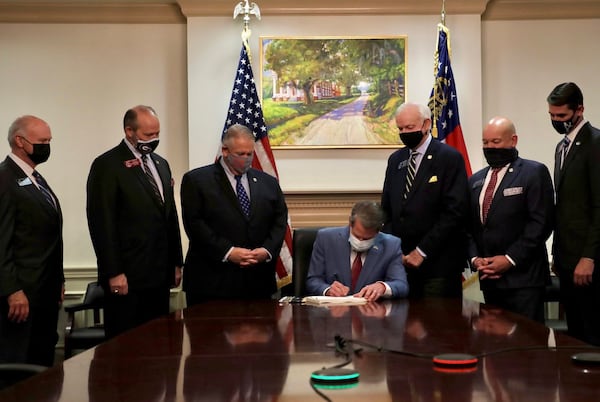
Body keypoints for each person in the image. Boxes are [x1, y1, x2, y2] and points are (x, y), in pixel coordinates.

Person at [86, 105, 183, 339]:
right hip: (127, 277)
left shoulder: (160, 164)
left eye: (157, 134)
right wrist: (114, 272)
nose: (154, 139)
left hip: (159, 275)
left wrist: (176, 262)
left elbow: (170, 216)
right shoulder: (107, 165)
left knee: (158, 344)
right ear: (129, 131)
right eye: (148, 135)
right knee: (125, 347)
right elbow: (102, 223)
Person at [180, 124, 288, 305]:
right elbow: (195, 225)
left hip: (257, 283)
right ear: (225, 151)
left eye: (250, 154)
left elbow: (279, 221)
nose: (246, 159)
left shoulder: (267, 182)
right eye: (240, 154)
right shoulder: (197, 181)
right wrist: (228, 252)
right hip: (212, 283)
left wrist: (266, 250)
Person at [468, 116, 554, 323]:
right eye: (485, 143)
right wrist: (475, 259)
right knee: (495, 346)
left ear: (513, 140)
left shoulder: (534, 172)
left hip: (524, 280)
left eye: (495, 142)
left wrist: (509, 259)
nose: (489, 147)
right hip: (489, 278)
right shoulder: (476, 180)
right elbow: (469, 227)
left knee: (528, 346)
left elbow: (541, 223)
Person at [381, 102, 469, 298]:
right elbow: (386, 211)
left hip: (438, 266)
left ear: (426, 124)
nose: (404, 133)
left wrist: (421, 251)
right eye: (400, 128)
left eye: (409, 128)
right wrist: (394, 250)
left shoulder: (449, 157)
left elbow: (454, 212)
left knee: (438, 326)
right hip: (401, 266)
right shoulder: (396, 160)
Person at [0, 115, 64, 366]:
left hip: (44, 292)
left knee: (43, 363)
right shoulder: (5, 180)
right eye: (42, 141)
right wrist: (12, 290)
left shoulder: (36, 179)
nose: (47, 146)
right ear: (19, 141)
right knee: (19, 365)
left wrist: (58, 279)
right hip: (21, 296)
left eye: (49, 140)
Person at [548, 82, 600, 345]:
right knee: (573, 335)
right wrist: (556, 253)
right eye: (552, 116)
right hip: (566, 258)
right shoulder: (562, 147)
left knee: (591, 333)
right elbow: (564, 206)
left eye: (562, 116)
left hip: (587, 261)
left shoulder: (595, 143)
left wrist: (589, 257)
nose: (557, 121)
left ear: (579, 110)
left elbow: (598, 206)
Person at [305, 201, 409, 301]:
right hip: (334, 314)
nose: (360, 241)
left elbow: (401, 285)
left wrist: (382, 287)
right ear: (350, 222)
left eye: (367, 238)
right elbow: (313, 281)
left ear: (378, 231)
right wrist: (328, 290)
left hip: (371, 314)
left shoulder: (391, 245)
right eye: (357, 236)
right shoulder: (326, 239)